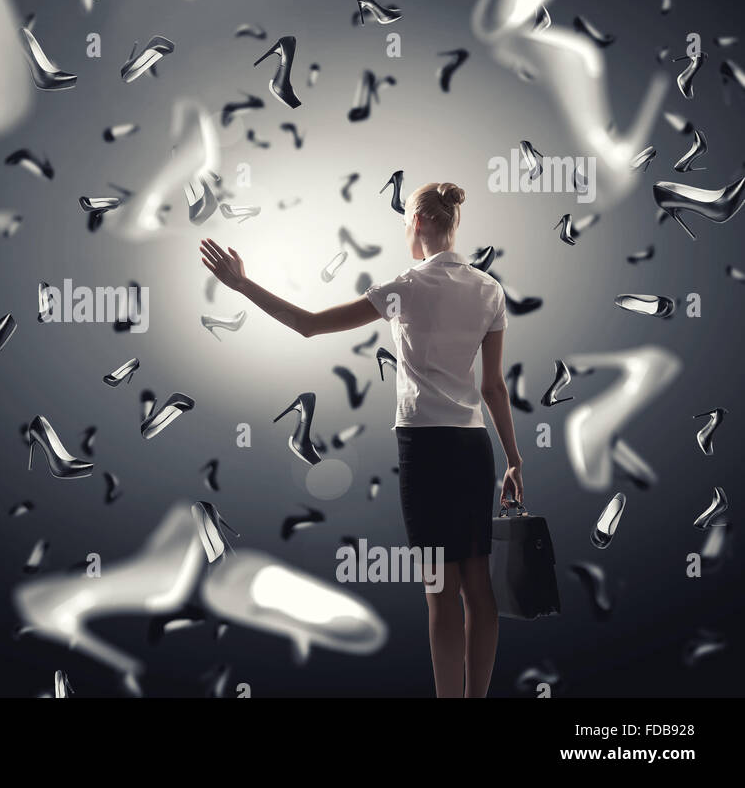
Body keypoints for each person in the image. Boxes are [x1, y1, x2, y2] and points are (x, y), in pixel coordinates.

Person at [199, 181, 524, 698]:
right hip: (473, 447)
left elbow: (307, 326)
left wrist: (242, 286)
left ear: (417, 223)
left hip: (425, 451)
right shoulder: (489, 289)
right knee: (478, 588)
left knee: (440, 591)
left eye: (404, 224)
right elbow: (493, 387)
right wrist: (514, 460)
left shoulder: (405, 287)